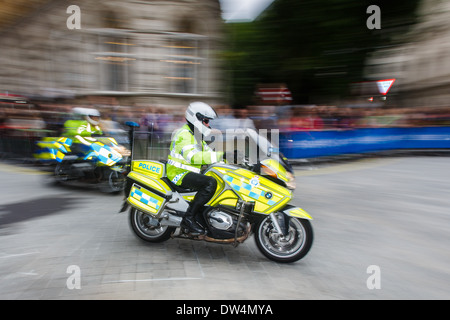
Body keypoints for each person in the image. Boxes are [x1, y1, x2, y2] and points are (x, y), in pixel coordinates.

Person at [167, 102, 225, 235]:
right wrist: (221, 155)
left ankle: (204, 216)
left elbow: (209, 153)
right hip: (178, 174)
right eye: (205, 121)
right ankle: (188, 218)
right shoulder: (183, 134)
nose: (208, 125)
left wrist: (232, 158)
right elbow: (194, 157)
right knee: (210, 183)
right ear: (196, 118)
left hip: (190, 172)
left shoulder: (196, 135)